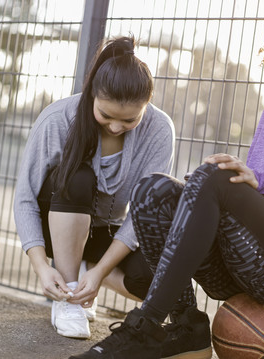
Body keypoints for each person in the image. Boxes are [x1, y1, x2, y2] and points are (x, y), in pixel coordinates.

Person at [69, 1, 264, 358]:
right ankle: (188, 326)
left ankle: (145, 326)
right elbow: (244, 194)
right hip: (245, 261)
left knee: (218, 178)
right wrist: (196, 194)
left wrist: (252, 180)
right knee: (152, 190)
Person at [13, 36, 175, 339]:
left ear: (146, 105)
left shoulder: (160, 130)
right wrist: (40, 267)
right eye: (106, 115)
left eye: (129, 119)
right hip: (58, 222)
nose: (115, 127)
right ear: (92, 96)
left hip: (108, 232)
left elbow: (142, 214)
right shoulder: (58, 118)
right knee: (77, 177)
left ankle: (86, 267)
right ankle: (69, 294)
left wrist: (99, 273)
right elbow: (24, 199)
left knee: (155, 283)